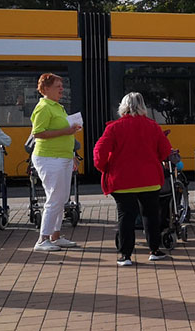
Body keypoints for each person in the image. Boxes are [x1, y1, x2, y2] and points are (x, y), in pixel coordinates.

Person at [93, 92, 174, 266]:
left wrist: (105, 168)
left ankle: (125, 255)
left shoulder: (113, 128)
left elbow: (99, 152)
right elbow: (165, 151)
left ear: (123, 107)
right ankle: (155, 250)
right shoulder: (153, 126)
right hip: (149, 179)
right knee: (151, 215)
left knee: (126, 217)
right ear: (143, 106)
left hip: (122, 181)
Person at [30, 73, 82, 253]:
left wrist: (72, 154)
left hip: (62, 157)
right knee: (54, 198)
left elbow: (63, 132)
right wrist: (67, 131)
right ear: (45, 89)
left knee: (61, 198)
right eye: (57, 86)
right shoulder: (44, 107)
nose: (62, 89)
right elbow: (38, 133)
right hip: (49, 158)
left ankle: (56, 236)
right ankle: (42, 239)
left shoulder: (57, 107)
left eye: (62, 86)